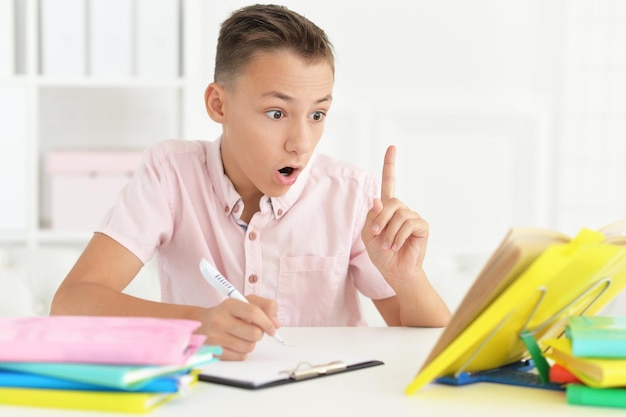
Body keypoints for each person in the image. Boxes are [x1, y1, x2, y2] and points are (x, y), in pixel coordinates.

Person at [50, 4, 451, 360]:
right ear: (218, 105)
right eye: (276, 113)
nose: (301, 143)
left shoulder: (349, 195)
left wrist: (407, 278)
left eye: (317, 115)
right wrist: (197, 325)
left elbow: (428, 347)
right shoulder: (171, 173)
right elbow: (71, 303)